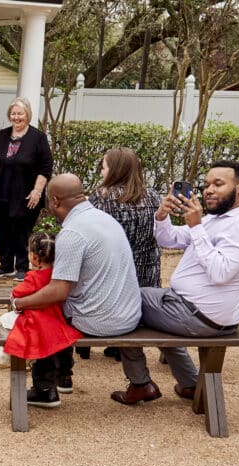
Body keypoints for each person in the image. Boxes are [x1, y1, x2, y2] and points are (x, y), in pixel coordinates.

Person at [113, 160, 239, 405]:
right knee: (158, 314)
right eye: (206, 185)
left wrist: (196, 227)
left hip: (200, 316)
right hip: (192, 311)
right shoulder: (217, 220)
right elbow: (169, 239)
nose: (209, 190)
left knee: (123, 301)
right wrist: (162, 215)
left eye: (218, 184)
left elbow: (221, 272)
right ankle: (189, 384)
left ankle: (140, 384)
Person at [10, 174, 141, 407]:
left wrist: (19, 303)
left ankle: (44, 388)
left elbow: (58, 291)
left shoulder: (72, 233)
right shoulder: (105, 219)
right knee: (53, 308)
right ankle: (64, 376)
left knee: (42, 315)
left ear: (55, 201)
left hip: (99, 321)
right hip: (129, 315)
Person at [86, 147, 162, 362]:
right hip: (147, 273)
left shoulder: (102, 199)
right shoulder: (154, 197)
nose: (101, 172)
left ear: (115, 170)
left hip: (114, 277)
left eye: (103, 167)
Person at [0, 96, 53, 281]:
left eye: (20, 113)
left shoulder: (38, 138)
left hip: (25, 195)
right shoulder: (2, 135)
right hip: (0, 193)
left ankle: (22, 266)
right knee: (0, 230)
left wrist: (37, 191)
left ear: (27, 115)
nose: (16, 117)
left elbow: (45, 167)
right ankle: (5, 265)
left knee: (21, 231)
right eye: (13, 113)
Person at [1, 232, 82, 394]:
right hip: (59, 319)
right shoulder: (59, 275)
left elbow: (18, 293)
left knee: (43, 355)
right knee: (63, 347)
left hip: (40, 321)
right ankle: (65, 377)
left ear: (35, 258)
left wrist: (14, 296)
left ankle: (44, 388)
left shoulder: (34, 277)